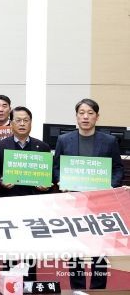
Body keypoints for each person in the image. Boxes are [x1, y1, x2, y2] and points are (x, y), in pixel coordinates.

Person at [53, 98, 124, 290]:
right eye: (81, 113)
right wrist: (61, 181)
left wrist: (109, 186)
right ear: (76, 116)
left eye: (90, 113)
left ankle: (98, 289)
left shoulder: (109, 141)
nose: (85, 117)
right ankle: (77, 289)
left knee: (99, 249)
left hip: (99, 203)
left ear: (97, 117)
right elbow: (57, 167)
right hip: (74, 203)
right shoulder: (64, 140)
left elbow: (118, 168)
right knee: (75, 249)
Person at [0, 106, 50, 281]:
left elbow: (49, 175)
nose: (22, 124)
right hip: (9, 204)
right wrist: (1, 180)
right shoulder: (1, 146)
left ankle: (30, 282)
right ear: (11, 123)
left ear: (31, 123)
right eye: (18, 120)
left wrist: (46, 186)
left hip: (33, 206)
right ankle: (9, 282)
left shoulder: (42, 147)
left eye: (26, 120)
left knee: (30, 248)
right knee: (10, 247)